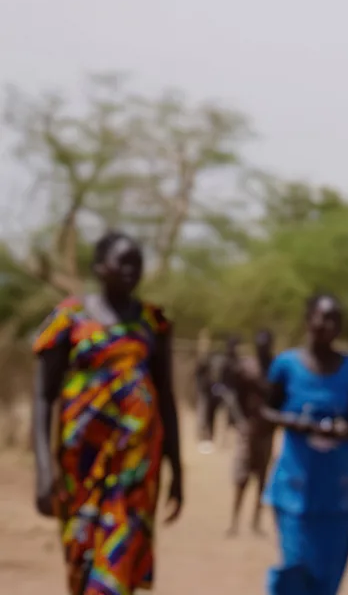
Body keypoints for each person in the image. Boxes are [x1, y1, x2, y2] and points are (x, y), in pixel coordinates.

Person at [31, 231, 184, 595]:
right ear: (100, 267)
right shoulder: (68, 319)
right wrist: (42, 468)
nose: (132, 269)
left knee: (119, 564)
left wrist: (176, 467)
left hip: (136, 470)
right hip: (79, 467)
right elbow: (42, 397)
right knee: (82, 559)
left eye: (138, 261)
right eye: (123, 261)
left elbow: (166, 397)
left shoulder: (153, 322)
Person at [262, 294, 348, 595]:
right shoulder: (286, 365)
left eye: (335, 319)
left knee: (328, 575)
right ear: (309, 319)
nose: (328, 325)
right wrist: (296, 422)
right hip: (294, 488)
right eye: (323, 317)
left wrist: (342, 429)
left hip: (337, 491)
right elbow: (267, 409)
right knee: (296, 569)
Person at [228, 328, 278, 536]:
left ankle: (255, 522)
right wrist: (240, 421)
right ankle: (234, 521)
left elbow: (278, 398)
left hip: (266, 431)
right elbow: (235, 395)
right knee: (242, 477)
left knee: (262, 477)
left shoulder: (276, 369)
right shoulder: (246, 368)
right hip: (248, 429)